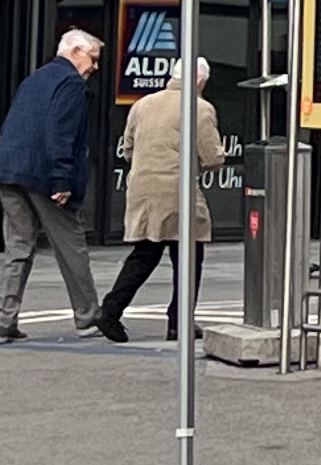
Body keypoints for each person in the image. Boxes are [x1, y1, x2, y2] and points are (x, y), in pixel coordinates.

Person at [92, 57, 227, 346]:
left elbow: (128, 149)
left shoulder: (143, 104)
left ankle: (111, 311)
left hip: (142, 189)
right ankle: (179, 321)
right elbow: (212, 157)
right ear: (199, 81)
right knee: (189, 256)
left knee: (144, 254)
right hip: (178, 190)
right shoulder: (200, 108)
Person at [0, 27, 106, 343]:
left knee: (18, 248)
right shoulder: (70, 83)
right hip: (43, 174)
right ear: (76, 52)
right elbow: (60, 133)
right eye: (93, 58)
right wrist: (62, 179)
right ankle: (88, 317)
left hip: (9, 170)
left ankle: (3, 322)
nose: (95, 67)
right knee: (70, 247)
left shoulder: (35, 79)